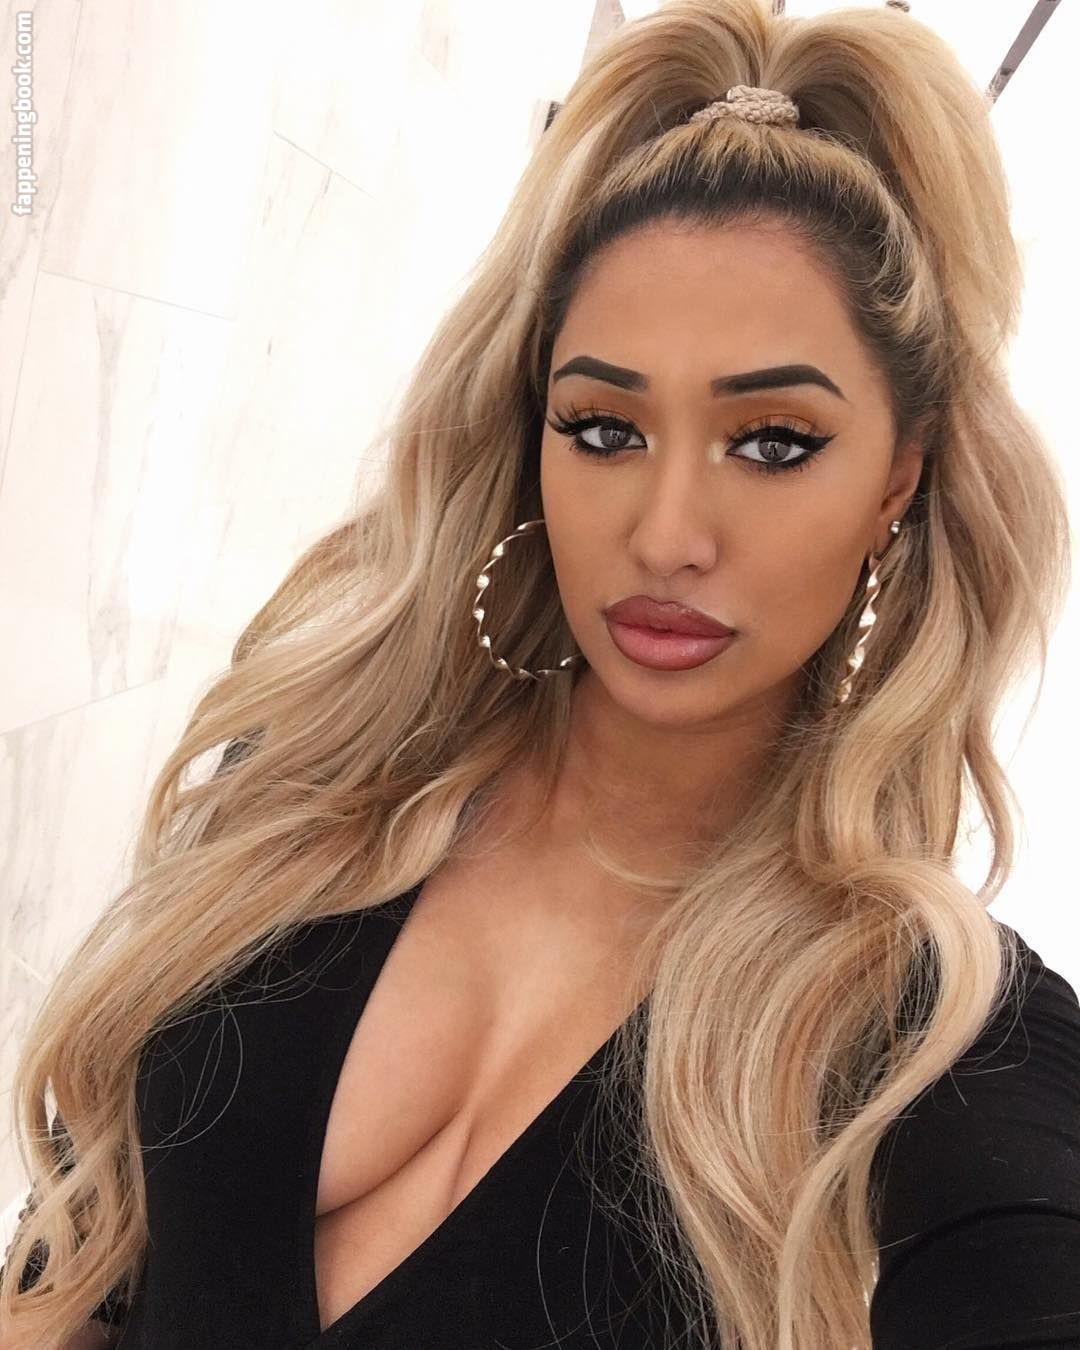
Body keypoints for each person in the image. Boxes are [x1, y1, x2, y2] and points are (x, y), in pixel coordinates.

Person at [2, 0, 1078, 1346]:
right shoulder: (314, 793)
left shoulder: (934, 1043)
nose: (667, 535)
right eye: (605, 428)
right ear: (534, 436)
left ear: (897, 484)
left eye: (773, 442)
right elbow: (83, 1250)